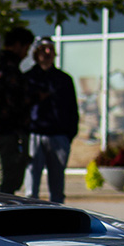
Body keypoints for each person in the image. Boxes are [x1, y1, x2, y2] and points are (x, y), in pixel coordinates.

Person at [23, 37, 77, 203]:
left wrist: (69, 135)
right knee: (31, 188)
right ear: (36, 53)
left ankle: (57, 223)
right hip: (34, 135)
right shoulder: (28, 78)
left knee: (57, 188)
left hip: (59, 136)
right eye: (43, 49)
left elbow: (73, 109)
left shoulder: (64, 79)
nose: (47, 53)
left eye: (50, 50)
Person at [0, 26, 34, 195]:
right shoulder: (7, 69)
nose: (26, 54)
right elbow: (14, 102)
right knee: (6, 179)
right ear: (17, 45)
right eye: (26, 48)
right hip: (7, 131)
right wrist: (35, 97)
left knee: (8, 179)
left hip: (6, 130)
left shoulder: (4, 66)